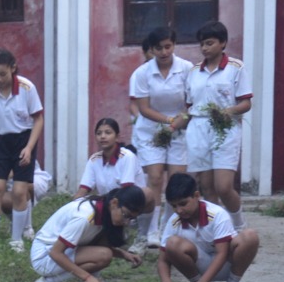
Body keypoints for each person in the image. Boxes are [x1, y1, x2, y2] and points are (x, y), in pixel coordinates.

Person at [0, 48, 45, 252]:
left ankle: (16, 239)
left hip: (23, 142)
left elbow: (38, 119)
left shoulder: (27, 88)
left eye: (2, 74)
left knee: (20, 192)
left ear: (13, 68)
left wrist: (29, 148)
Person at [184, 20, 253, 228]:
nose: (205, 48)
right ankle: (216, 230)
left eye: (210, 43)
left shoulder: (235, 68)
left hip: (226, 129)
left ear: (223, 43)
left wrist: (226, 112)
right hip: (198, 128)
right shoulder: (194, 72)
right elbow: (189, 106)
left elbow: (246, 103)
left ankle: (239, 226)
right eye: (202, 44)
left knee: (223, 186)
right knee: (206, 187)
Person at [129, 25, 193, 246]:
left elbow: (193, 103)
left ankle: (169, 227)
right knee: (155, 177)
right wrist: (168, 122)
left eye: (168, 47)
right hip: (151, 130)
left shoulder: (186, 69)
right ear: (152, 50)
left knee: (175, 181)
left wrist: (178, 122)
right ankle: (152, 230)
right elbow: (144, 108)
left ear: (174, 45)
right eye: (159, 48)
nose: (164, 52)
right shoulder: (141, 73)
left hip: (180, 128)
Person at [29, 186, 148, 282]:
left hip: (58, 251)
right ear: (114, 202)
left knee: (104, 253)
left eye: (131, 219)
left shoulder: (103, 208)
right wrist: (87, 277)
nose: (126, 222)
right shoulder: (84, 217)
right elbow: (55, 253)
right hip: (44, 256)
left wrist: (124, 254)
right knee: (104, 255)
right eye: (125, 215)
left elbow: (97, 245)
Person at [156, 172, 261, 282]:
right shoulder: (174, 221)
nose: (179, 210)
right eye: (174, 206)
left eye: (183, 204)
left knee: (250, 236)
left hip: (226, 264)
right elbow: (162, 259)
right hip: (198, 267)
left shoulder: (217, 214)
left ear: (196, 196)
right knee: (172, 243)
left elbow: (221, 253)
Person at [76, 118, 147, 253]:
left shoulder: (127, 157)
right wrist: (73, 207)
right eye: (99, 133)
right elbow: (83, 189)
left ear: (117, 136)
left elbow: (127, 190)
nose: (103, 136)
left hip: (128, 204)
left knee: (147, 193)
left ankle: (142, 234)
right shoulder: (94, 159)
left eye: (108, 132)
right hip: (109, 203)